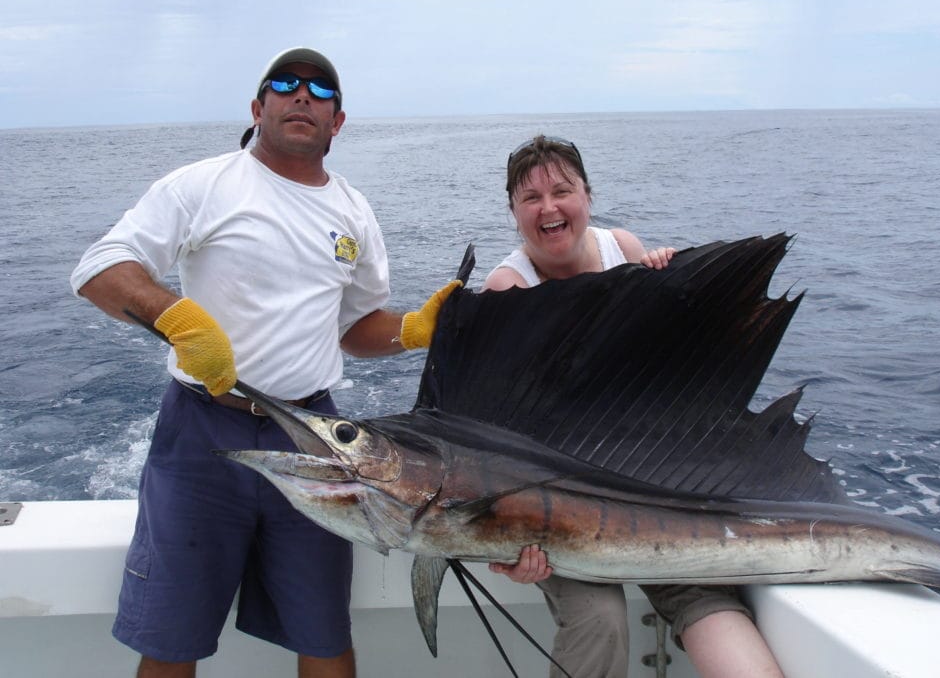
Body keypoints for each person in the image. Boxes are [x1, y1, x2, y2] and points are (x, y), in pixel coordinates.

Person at [70, 47, 458, 678]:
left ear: (338, 122)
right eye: (284, 84)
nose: (301, 93)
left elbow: (356, 329)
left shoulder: (354, 212)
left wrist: (414, 330)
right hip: (202, 434)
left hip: (314, 438)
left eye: (320, 89)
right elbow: (100, 267)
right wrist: (177, 319)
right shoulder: (202, 184)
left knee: (325, 633)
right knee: (172, 640)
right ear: (258, 108)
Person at [484, 135, 784, 678]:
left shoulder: (622, 247)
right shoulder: (508, 288)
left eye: (562, 190)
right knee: (600, 618)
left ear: (588, 197)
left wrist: (666, 286)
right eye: (530, 198)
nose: (549, 208)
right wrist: (511, 540)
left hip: (650, 480)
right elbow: (502, 437)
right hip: (555, 502)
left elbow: (663, 372)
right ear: (513, 212)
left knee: (702, 597)